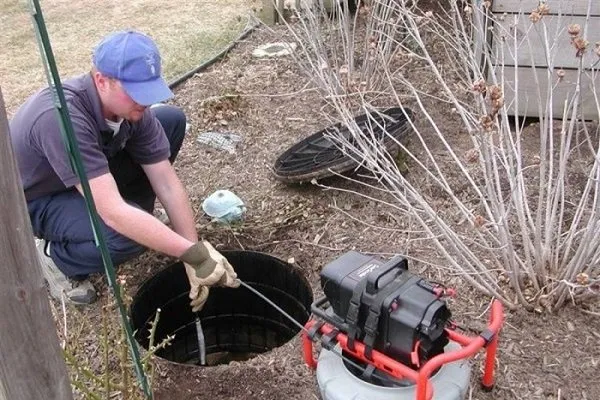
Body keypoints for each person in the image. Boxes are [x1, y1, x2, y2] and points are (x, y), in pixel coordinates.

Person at [9, 30, 238, 310]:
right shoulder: (61, 119)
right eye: (136, 93)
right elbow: (113, 213)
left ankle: (138, 218)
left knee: (169, 120)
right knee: (126, 233)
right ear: (101, 81)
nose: (144, 101)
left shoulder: (129, 110)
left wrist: (193, 251)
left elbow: (165, 181)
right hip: (37, 199)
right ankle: (56, 258)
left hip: (86, 177)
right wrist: (193, 255)